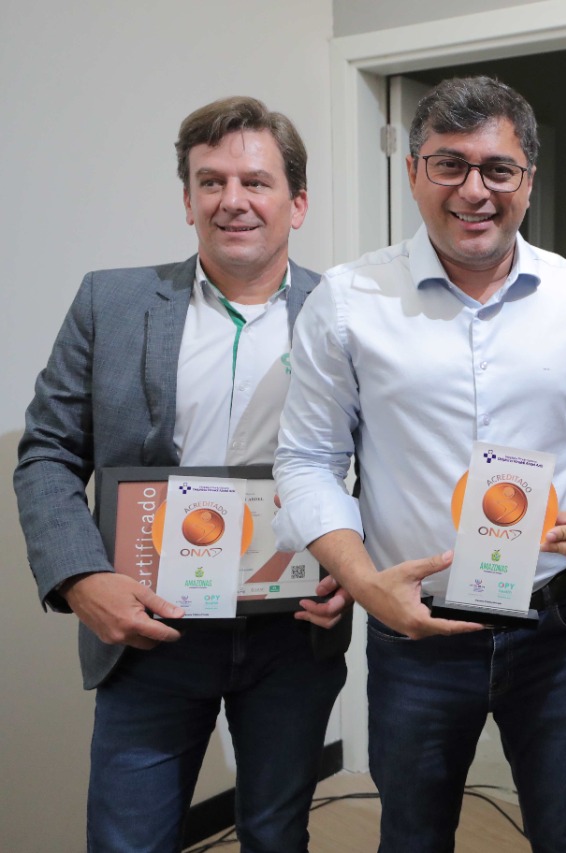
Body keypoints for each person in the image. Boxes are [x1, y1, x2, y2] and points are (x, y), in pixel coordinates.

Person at [272, 75, 566, 853]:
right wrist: (364, 584)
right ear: (414, 172)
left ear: (528, 180)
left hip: (556, 623)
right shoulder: (347, 301)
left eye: (498, 169)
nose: (474, 190)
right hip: (415, 627)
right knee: (413, 836)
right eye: (449, 164)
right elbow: (307, 460)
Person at [14, 96, 349, 852]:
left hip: (292, 628)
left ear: (297, 203)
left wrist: (356, 567)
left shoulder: (347, 313)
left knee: (277, 834)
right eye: (211, 181)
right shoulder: (111, 301)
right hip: (149, 629)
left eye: (255, 182)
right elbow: (47, 452)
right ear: (188, 199)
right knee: (127, 839)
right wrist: (79, 577)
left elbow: (380, 461)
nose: (233, 200)